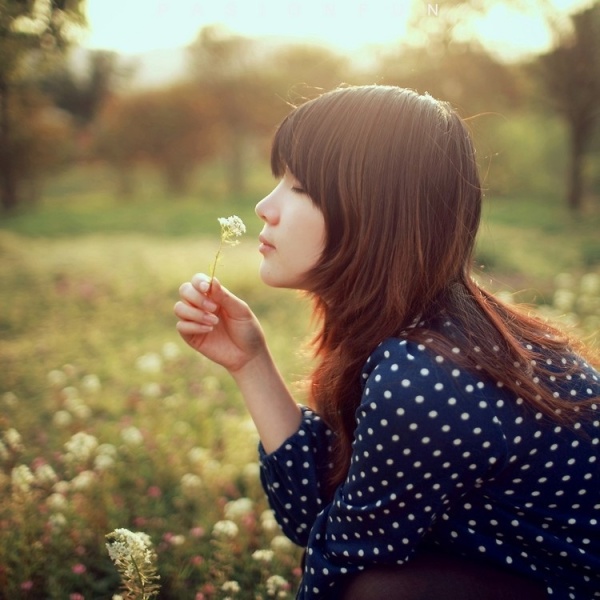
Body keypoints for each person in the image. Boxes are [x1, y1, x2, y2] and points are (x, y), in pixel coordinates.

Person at [174, 85, 600, 600]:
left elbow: (337, 568)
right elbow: (322, 521)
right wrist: (250, 362)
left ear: (375, 213)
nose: (266, 206)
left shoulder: (427, 374)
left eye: (301, 187)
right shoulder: (428, 330)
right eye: (278, 180)